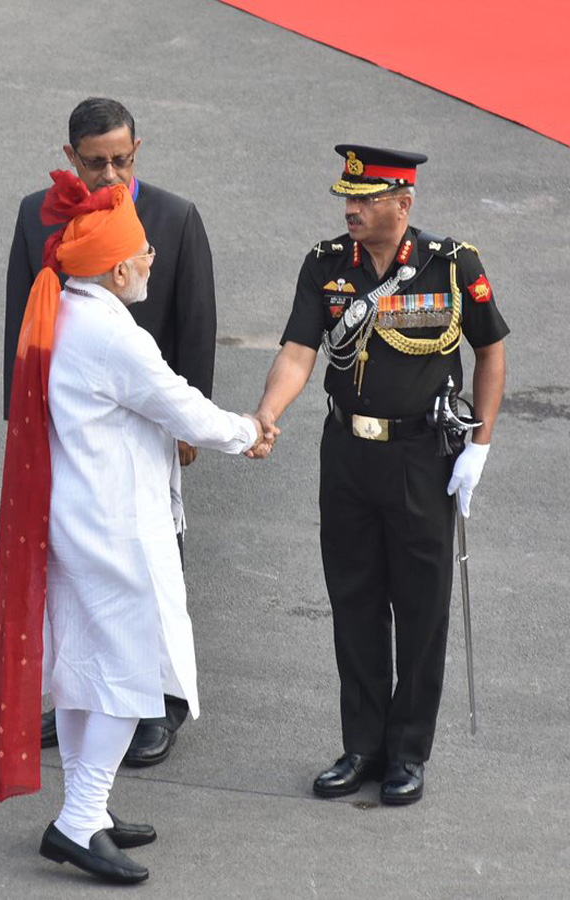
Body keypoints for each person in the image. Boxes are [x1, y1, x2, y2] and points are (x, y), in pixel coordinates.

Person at [0, 171, 270, 884]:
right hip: (114, 528)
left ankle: (92, 807)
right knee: (127, 676)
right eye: (142, 255)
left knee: (84, 668)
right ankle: (78, 821)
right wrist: (250, 431)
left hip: (76, 519)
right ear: (115, 269)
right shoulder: (114, 336)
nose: (150, 263)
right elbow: (181, 407)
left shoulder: (65, 313)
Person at [253, 145, 508, 804]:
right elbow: (297, 351)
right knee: (355, 600)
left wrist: (480, 441)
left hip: (421, 458)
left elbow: (491, 348)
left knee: (420, 608)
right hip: (347, 457)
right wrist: (267, 414)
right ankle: (361, 745)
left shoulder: (451, 266)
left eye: (366, 199)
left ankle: (407, 752)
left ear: (404, 201)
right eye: (348, 197)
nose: (352, 209)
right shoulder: (325, 265)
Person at [5, 98, 217, 766]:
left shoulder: (175, 217)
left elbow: (195, 320)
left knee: (153, 564)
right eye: (94, 162)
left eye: (121, 160)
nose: (108, 174)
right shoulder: (36, 213)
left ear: (137, 150)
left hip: (150, 419)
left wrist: (194, 421)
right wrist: (22, 418)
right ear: (70, 157)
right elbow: (22, 317)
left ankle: (160, 706)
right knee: (78, 563)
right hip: (75, 424)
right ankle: (87, 696)